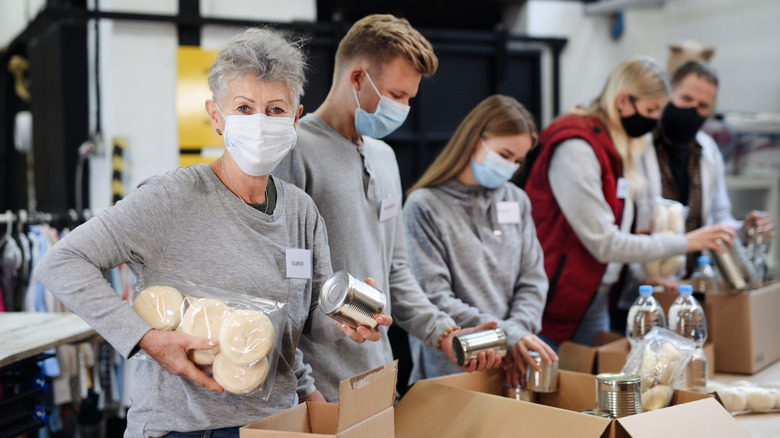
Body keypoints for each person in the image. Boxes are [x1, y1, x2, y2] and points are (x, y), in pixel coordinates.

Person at [34, 27, 390, 437]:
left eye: (275, 110)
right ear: (216, 116)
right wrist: (146, 338)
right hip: (184, 429)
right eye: (243, 107)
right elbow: (60, 262)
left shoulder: (300, 210)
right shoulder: (170, 198)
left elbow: (308, 327)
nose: (260, 122)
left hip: (275, 424)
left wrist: (347, 319)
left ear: (295, 118)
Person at [273, 14, 500, 402]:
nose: (404, 108)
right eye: (396, 96)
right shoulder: (295, 151)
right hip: (316, 389)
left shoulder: (385, 158)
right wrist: (302, 386)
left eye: (410, 98)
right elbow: (281, 283)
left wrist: (443, 332)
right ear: (358, 78)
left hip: (376, 376)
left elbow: (395, 269)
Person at [519, 56, 735, 350]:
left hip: (594, 292)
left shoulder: (613, 146)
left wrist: (647, 264)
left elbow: (618, 228)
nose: (654, 121)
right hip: (555, 294)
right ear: (622, 101)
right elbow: (604, 242)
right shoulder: (578, 148)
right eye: (651, 110)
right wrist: (685, 242)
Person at [403, 95, 558, 388]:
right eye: (504, 154)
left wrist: (516, 337)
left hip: (513, 361)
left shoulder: (516, 199)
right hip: (452, 369)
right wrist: (508, 336)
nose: (510, 166)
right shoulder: (424, 206)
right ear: (475, 140)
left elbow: (533, 280)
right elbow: (433, 296)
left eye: (518, 160)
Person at [635, 60, 774, 284]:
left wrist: (744, 228)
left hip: (694, 283)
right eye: (686, 99)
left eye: (702, 106)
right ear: (669, 94)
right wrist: (641, 277)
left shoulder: (707, 150)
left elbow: (719, 218)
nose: (693, 111)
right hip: (643, 284)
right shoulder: (639, 146)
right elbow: (626, 228)